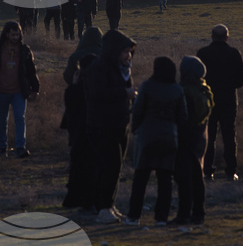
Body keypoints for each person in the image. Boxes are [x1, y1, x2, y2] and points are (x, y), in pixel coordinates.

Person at [125, 56, 187, 226]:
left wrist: (135, 129)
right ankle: (161, 218)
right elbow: (183, 116)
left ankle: (133, 216)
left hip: (146, 137)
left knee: (140, 179)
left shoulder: (147, 86)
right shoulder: (177, 89)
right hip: (169, 137)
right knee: (165, 181)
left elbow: (137, 110)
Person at [84, 28, 137, 223]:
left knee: (115, 167)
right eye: (124, 51)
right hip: (102, 125)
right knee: (110, 166)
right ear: (114, 51)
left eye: (129, 51)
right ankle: (103, 208)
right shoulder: (99, 68)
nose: (128, 55)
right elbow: (97, 94)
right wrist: (125, 94)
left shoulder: (123, 70)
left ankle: (108, 206)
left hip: (120, 123)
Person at [197, 24, 243, 181]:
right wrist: (232, 86)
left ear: (212, 36)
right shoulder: (233, 53)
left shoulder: (203, 53)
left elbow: (196, 76)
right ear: (227, 37)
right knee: (229, 135)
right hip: (228, 100)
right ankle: (231, 171)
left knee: (209, 135)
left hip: (207, 101)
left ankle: (207, 171)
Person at [0, 22, 40, 158]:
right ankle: (2, 147)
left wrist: (35, 88)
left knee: (20, 118)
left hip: (19, 92)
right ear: (7, 34)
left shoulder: (25, 50)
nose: (15, 37)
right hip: (0, 91)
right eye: (13, 34)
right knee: (2, 120)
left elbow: (32, 71)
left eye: (17, 34)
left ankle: (20, 147)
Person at [60, 27, 103, 209]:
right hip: (97, 106)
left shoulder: (76, 55)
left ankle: (75, 193)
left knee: (77, 151)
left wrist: (76, 83)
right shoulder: (103, 55)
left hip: (77, 104)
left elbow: (67, 76)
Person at [174, 56, 212, 225]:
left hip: (185, 137)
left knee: (184, 178)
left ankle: (184, 214)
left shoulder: (183, 91)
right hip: (201, 136)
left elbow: (181, 116)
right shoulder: (204, 90)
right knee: (198, 176)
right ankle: (199, 213)